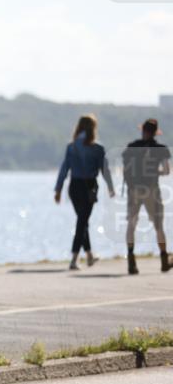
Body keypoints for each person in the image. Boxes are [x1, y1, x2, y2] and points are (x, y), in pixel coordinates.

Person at [54, 114, 116, 270]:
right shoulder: (98, 148)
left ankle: (88, 255)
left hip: (74, 187)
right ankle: (74, 258)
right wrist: (110, 186)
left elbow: (64, 169)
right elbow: (104, 170)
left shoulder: (71, 146)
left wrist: (58, 189)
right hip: (89, 187)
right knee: (82, 221)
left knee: (82, 221)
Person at [121, 118, 171, 274]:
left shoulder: (131, 147)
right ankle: (164, 260)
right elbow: (166, 171)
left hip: (134, 189)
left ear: (142, 130)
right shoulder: (161, 149)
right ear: (155, 133)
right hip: (152, 189)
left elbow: (125, 168)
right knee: (158, 226)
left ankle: (131, 260)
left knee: (132, 224)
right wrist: (156, 172)